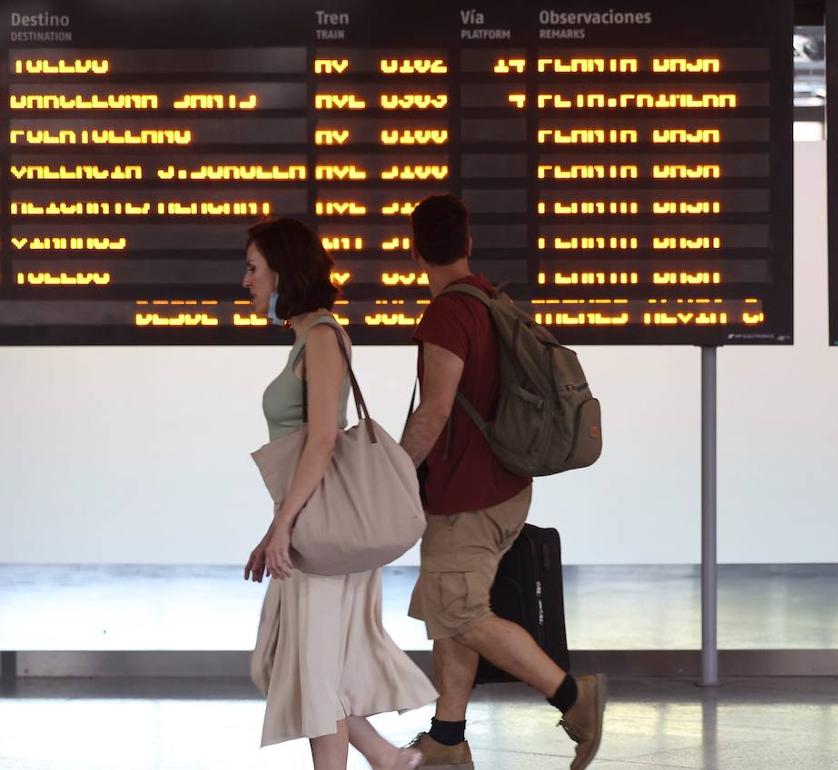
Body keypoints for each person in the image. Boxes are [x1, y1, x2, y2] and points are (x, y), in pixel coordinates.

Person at [399, 195, 606, 770]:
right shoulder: (492, 301)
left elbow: (434, 411)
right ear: (468, 243)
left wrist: (392, 471)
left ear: (415, 251)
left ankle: (573, 697)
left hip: (468, 494)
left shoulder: (447, 314)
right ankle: (447, 736)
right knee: (451, 610)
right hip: (505, 484)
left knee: (460, 612)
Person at [241, 217, 437, 770]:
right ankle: (390, 760)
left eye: (253, 269)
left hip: (322, 532)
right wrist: (276, 526)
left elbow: (323, 438)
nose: (246, 281)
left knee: (314, 676)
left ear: (283, 270)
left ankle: (385, 761)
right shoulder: (305, 336)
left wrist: (284, 525)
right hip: (307, 524)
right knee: (286, 664)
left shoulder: (323, 336)